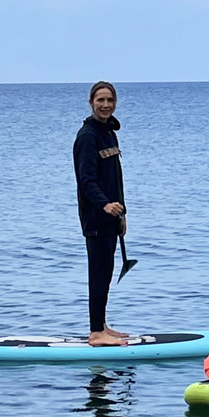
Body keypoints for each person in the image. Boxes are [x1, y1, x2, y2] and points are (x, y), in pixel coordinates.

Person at [73, 80, 129, 347]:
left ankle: (102, 324)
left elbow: (115, 178)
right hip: (96, 216)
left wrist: (122, 213)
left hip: (112, 216)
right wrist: (104, 205)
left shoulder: (109, 133)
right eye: (100, 101)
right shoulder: (87, 137)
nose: (106, 105)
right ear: (91, 103)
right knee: (98, 272)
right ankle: (96, 333)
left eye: (110, 100)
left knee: (106, 271)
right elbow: (87, 180)